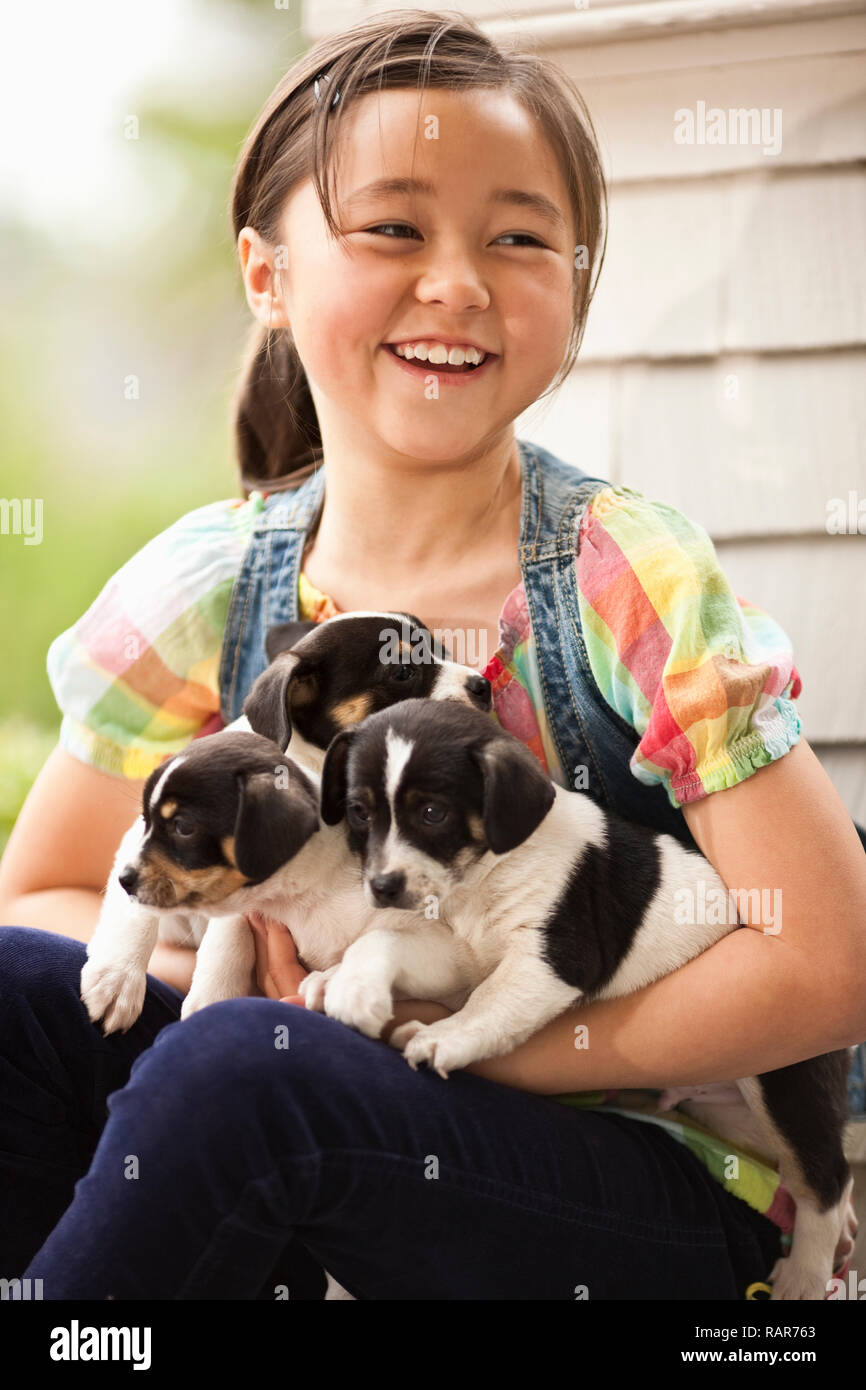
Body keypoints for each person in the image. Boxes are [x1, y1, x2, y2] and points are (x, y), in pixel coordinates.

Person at [1, 10, 864, 1301]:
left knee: (246, 1069)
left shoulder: (622, 576)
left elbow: (825, 955)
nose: (456, 280)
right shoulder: (210, 585)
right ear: (266, 274)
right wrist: (260, 942)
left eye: (517, 236)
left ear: (572, 281)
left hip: (635, 1161)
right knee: (27, 993)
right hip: (328, 1106)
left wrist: (470, 1037)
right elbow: (50, 891)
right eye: (394, 227)